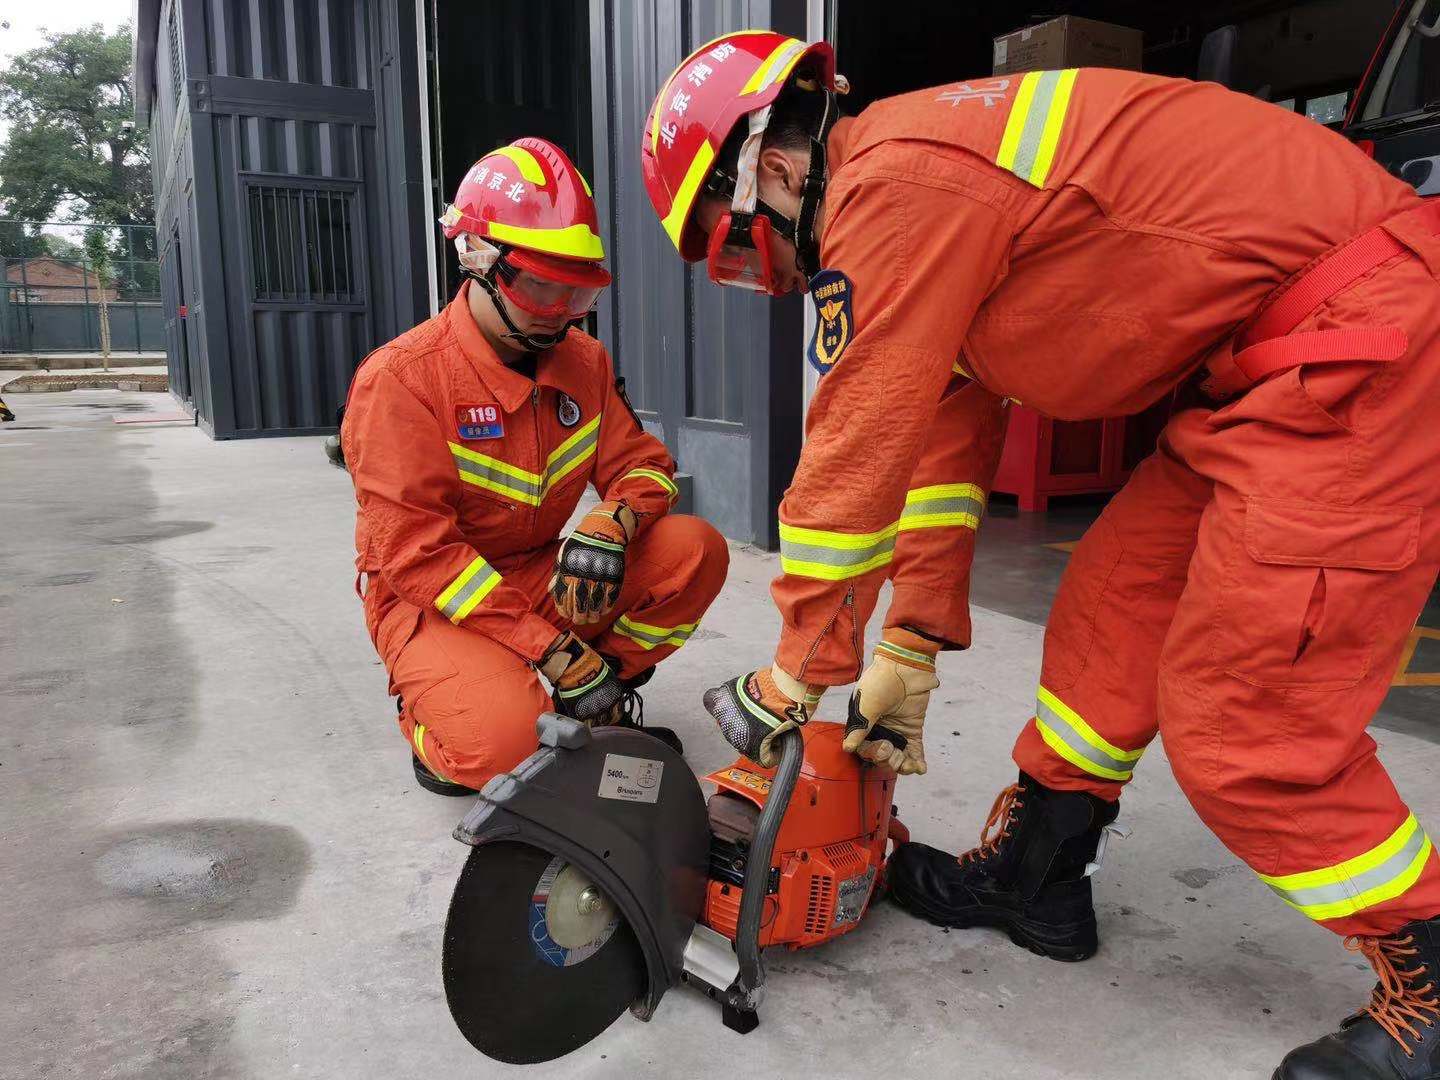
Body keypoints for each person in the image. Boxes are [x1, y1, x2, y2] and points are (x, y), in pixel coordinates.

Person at [642, 31, 1440, 1078]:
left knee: (1248, 718)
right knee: (1111, 613)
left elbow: (851, 459)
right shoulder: (922, 197)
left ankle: (1424, 968)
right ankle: (1041, 875)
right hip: (1267, 374)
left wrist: (799, 672)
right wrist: (912, 644)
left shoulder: (893, 190)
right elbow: (934, 440)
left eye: (743, 250)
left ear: (776, 171)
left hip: (1372, 341)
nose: (772, 280)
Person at [343, 137, 728, 797]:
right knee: (504, 751)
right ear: (477, 260)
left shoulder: (585, 362)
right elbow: (415, 555)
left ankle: (595, 695)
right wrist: (550, 649)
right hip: (433, 599)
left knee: (695, 550)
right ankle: (428, 721)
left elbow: (646, 468)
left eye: (575, 294)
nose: (560, 314)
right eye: (541, 288)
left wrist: (614, 521)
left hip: (534, 570)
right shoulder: (402, 380)